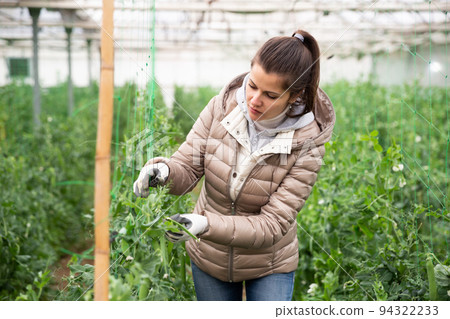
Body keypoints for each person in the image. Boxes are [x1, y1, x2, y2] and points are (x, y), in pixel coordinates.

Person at [133, 29, 335, 301]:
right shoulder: (221, 108)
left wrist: (205, 225)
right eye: (252, 85)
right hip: (210, 257)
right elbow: (189, 166)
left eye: (270, 95)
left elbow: (272, 225)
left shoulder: (307, 143)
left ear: (294, 96)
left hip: (269, 263)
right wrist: (164, 172)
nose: (254, 100)